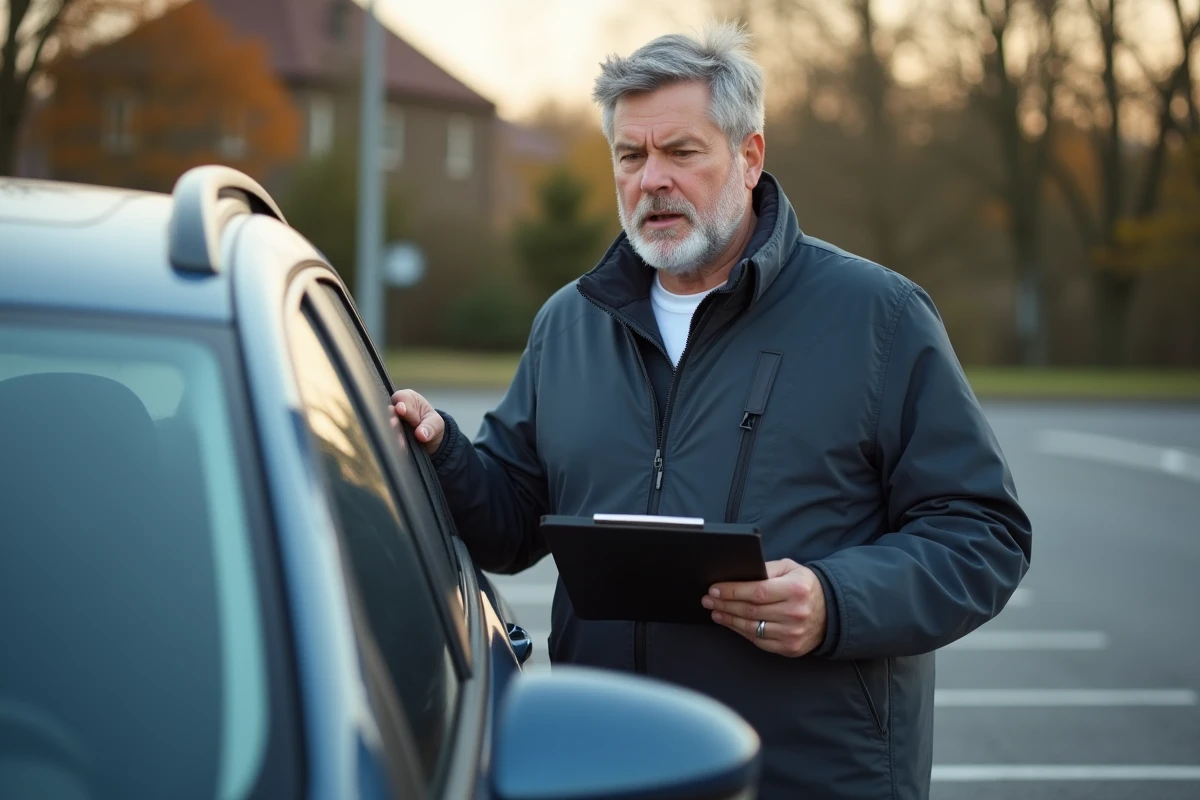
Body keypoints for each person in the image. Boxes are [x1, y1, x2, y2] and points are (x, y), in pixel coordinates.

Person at [391, 23, 1031, 800]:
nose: (652, 179)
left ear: (750, 156)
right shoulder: (571, 323)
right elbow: (511, 522)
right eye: (631, 156)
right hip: (610, 768)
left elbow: (983, 531)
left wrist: (836, 602)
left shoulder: (877, 317)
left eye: (682, 152)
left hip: (807, 777)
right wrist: (440, 450)